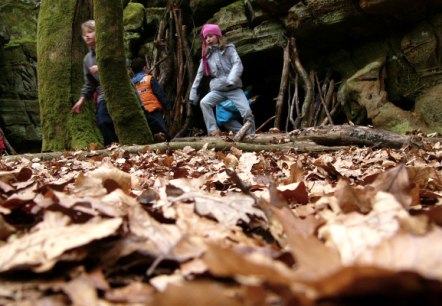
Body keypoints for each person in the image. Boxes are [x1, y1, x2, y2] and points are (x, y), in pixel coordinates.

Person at [189, 23, 255, 136]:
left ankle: (251, 134)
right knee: (204, 103)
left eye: (211, 36)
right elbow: (199, 76)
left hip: (234, 88)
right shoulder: (206, 57)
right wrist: (193, 95)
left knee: (247, 111)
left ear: (218, 36)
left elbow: (237, 64)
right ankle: (213, 131)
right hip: (218, 90)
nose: (208, 39)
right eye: (206, 37)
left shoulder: (229, 49)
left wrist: (231, 80)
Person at [71, 20, 118, 146]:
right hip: (103, 94)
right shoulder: (87, 59)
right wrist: (81, 100)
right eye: (84, 34)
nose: (87, 35)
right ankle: (113, 147)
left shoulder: (111, 48)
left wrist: (101, 67)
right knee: (102, 121)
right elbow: (90, 83)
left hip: (120, 91)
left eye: (90, 32)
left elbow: (122, 67)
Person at [130, 57, 172, 141]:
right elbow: (160, 94)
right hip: (154, 111)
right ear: (145, 68)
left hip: (142, 113)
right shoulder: (149, 79)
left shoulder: (131, 83)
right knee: (162, 133)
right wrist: (168, 107)